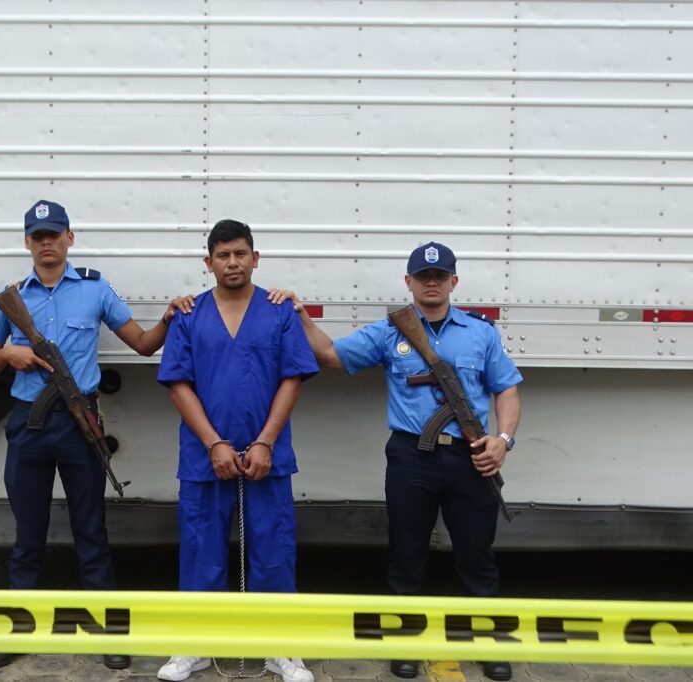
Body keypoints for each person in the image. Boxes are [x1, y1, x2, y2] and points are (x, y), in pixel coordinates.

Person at [273, 242, 521, 682]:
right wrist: (301, 316)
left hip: (471, 457)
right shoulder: (392, 333)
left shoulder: (481, 332)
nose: (432, 282)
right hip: (413, 456)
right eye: (423, 276)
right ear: (408, 282)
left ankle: (492, 644)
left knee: (476, 555)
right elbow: (331, 356)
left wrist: (502, 439)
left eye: (440, 276)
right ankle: (404, 642)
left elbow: (506, 388)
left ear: (453, 282)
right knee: (407, 554)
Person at [0, 199, 190, 671]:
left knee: (91, 529)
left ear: (70, 238)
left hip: (80, 423)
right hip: (28, 424)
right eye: (38, 236)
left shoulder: (95, 290)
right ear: (27, 243)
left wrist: (171, 316)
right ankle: (18, 627)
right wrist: (10, 355)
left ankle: (109, 630)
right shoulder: (11, 298)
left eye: (55, 234)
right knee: (28, 533)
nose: (47, 243)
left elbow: (143, 343)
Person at [155, 220, 319, 682]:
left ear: (255, 258)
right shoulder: (189, 314)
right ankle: (195, 644)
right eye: (223, 255)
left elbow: (293, 378)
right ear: (208, 262)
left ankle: (281, 647)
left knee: (274, 549)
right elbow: (177, 384)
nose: (232, 262)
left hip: (268, 455)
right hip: (204, 455)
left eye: (240, 253)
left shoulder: (279, 311)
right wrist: (214, 443)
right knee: (200, 549)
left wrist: (266, 440)